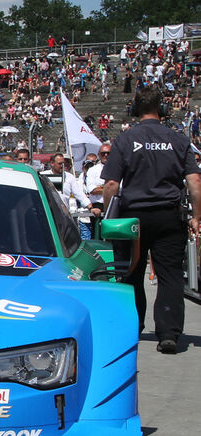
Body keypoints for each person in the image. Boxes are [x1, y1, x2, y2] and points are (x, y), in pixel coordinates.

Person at [102, 86, 201, 354]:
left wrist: (108, 214)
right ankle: (168, 333)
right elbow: (194, 181)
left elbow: (111, 183)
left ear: (135, 109)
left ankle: (132, 325)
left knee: (131, 273)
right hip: (169, 216)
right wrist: (196, 216)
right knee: (169, 275)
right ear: (163, 109)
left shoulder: (125, 139)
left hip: (132, 217)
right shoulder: (179, 140)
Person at [43, 153, 94, 238]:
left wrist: (91, 208)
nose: (62, 166)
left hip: (64, 217)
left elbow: (79, 194)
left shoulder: (69, 177)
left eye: (63, 163)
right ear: (52, 163)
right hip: (48, 215)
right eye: (60, 164)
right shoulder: (43, 176)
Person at [83, 143, 111, 219]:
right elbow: (92, 190)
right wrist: (111, 187)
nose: (106, 155)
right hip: (98, 207)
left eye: (108, 153)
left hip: (114, 205)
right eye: (103, 153)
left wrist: (101, 187)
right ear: (99, 154)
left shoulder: (119, 169)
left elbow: (121, 188)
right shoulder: (92, 170)